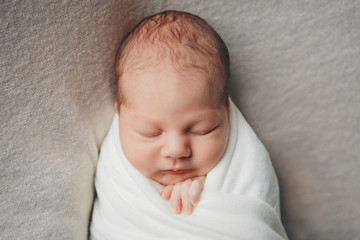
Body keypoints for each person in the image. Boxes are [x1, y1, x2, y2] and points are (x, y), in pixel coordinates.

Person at [91, 10, 288, 239]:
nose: (176, 150)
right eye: (151, 133)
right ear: (120, 116)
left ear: (227, 113)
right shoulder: (117, 175)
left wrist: (202, 194)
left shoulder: (245, 163)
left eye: (200, 130)